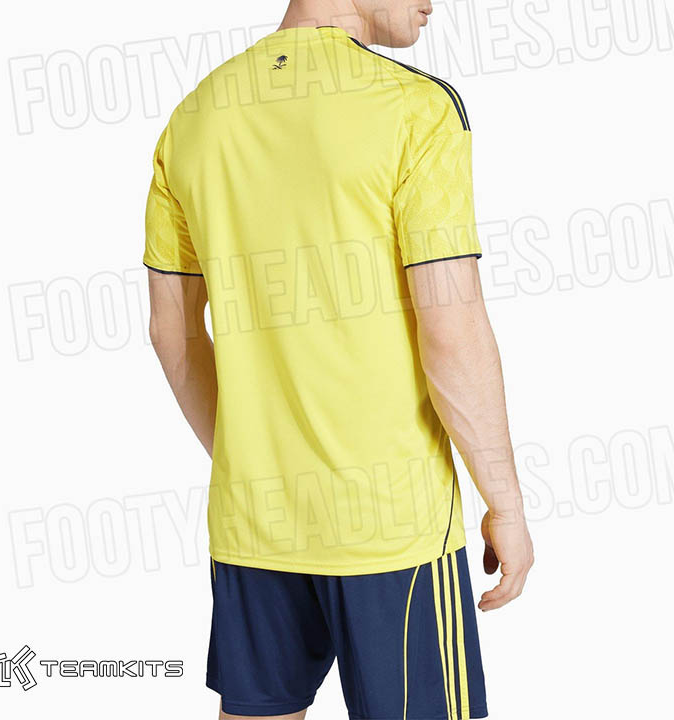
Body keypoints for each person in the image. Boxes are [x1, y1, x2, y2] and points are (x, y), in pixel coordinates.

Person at [144, 1, 534, 718]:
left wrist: (254, 462)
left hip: (253, 521)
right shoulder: (415, 108)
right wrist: (504, 503)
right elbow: (450, 328)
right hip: (390, 527)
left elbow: (172, 334)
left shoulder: (193, 117)